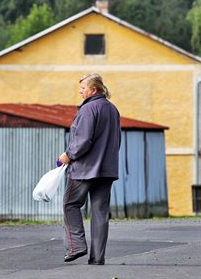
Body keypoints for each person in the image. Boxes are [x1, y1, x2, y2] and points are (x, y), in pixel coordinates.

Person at [58, 73, 121, 265]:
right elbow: (116, 139)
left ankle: (76, 247)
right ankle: (97, 258)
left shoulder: (88, 109)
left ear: (93, 90)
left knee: (70, 204)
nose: (80, 91)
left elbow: (83, 141)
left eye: (83, 88)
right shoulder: (112, 109)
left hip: (85, 169)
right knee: (100, 212)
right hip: (107, 169)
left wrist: (68, 155)